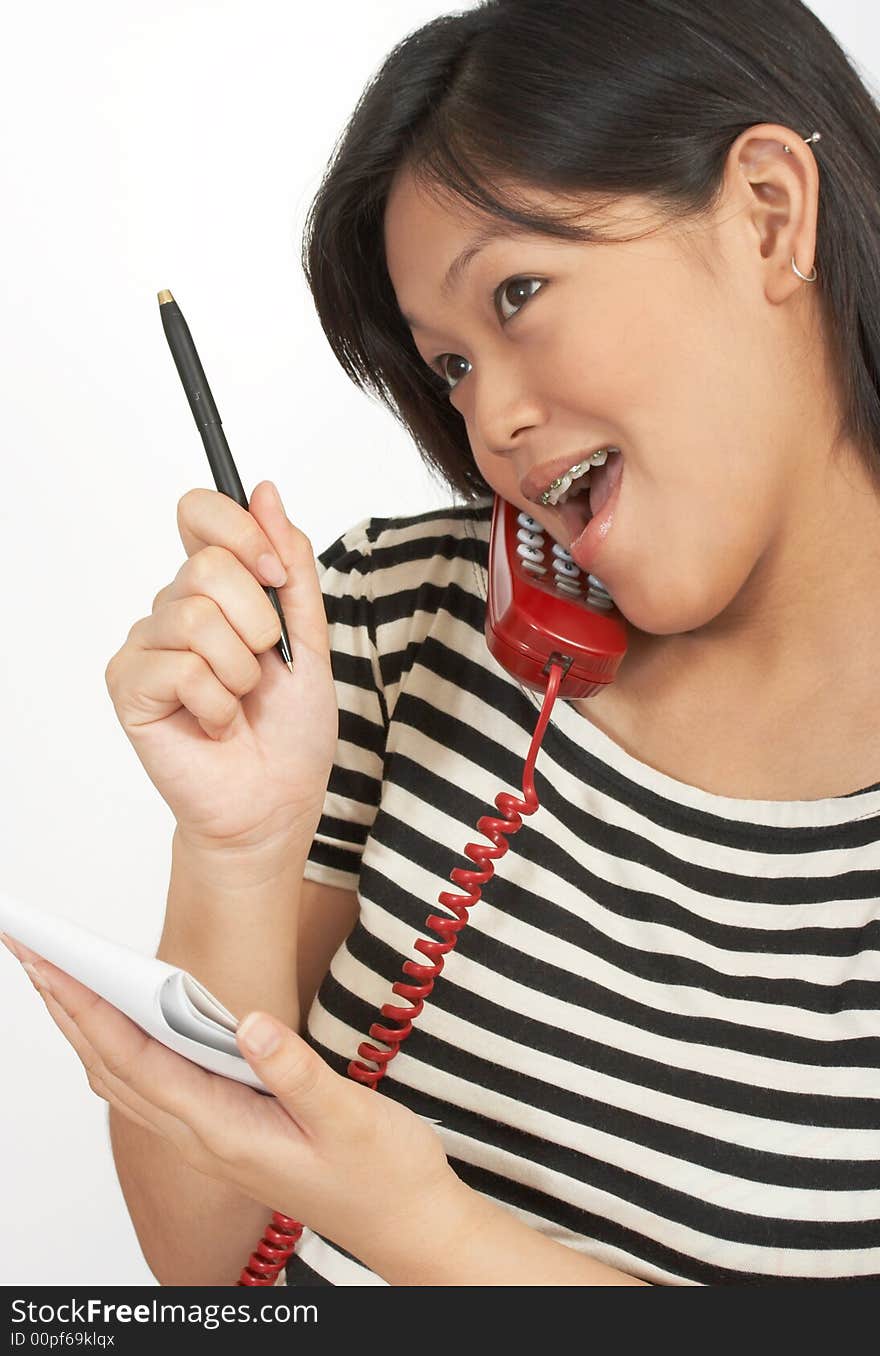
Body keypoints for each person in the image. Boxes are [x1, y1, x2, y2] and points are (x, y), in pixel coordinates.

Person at [12, 0, 880, 1286]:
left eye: (517, 294)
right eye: (451, 367)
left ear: (765, 211)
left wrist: (434, 1235)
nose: (493, 429)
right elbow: (205, 1280)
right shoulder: (391, 623)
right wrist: (238, 851)